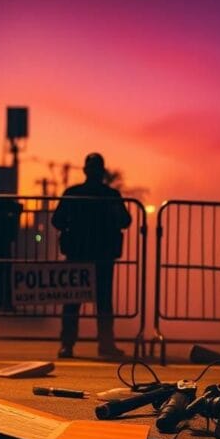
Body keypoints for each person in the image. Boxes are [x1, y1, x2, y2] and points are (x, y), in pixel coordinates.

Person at [51, 152, 132, 359]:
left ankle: (68, 345)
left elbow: (58, 221)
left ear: (85, 170)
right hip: (102, 255)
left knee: (73, 301)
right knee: (102, 302)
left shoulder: (74, 193)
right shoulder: (110, 196)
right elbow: (125, 221)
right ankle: (105, 345)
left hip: (79, 254)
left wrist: (74, 227)